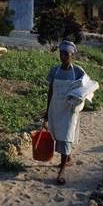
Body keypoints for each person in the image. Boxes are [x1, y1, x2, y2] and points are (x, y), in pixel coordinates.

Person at [44, 40, 86, 185]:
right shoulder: (54, 70)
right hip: (56, 107)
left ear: (72, 54)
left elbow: (84, 90)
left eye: (65, 54)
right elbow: (50, 91)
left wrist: (80, 104)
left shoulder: (78, 72)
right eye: (61, 53)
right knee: (58, 135)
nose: (62, 56)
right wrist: (47, 110)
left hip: (69, 109)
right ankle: (67, 158)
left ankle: (61, 171)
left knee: (66, 135)